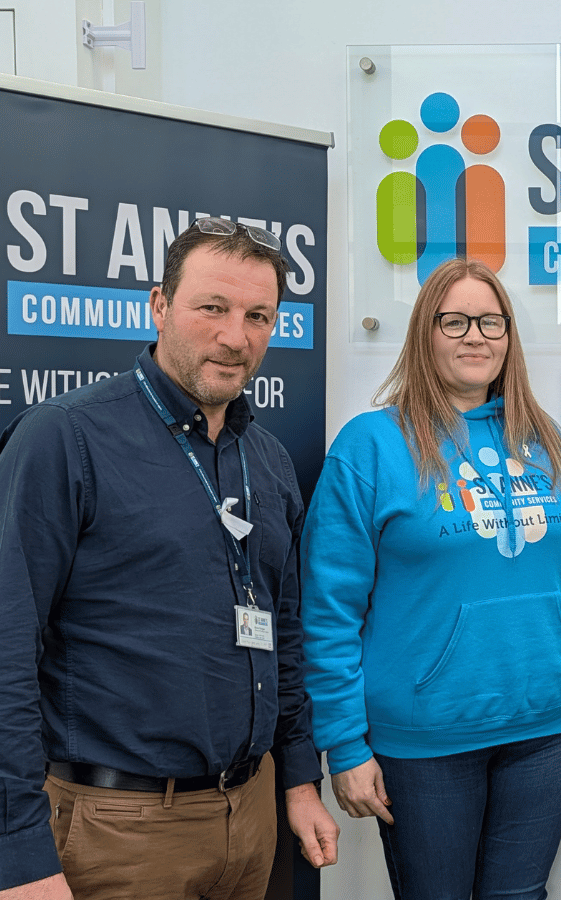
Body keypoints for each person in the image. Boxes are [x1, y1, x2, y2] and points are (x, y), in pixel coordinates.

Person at [0, 218, 339, 900]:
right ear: (158, 305)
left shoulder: (267, 460)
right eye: (212, 307)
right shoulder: (64, 440)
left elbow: (287, 634)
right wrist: (18, 851)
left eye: (258, 316)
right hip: (115, 830)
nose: (235, 337)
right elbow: (6, 647)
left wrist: (300, 780)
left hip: (251, 819)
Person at [301, 257, 561, 900]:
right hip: (424, 742)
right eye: (456, 320)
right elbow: (329, 611)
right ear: (425, 334)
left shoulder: (545, 439)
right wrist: (344, 745)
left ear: (509, 336)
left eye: (491, 321)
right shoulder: (371, 446)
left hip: (545, 730)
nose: (476, 336)